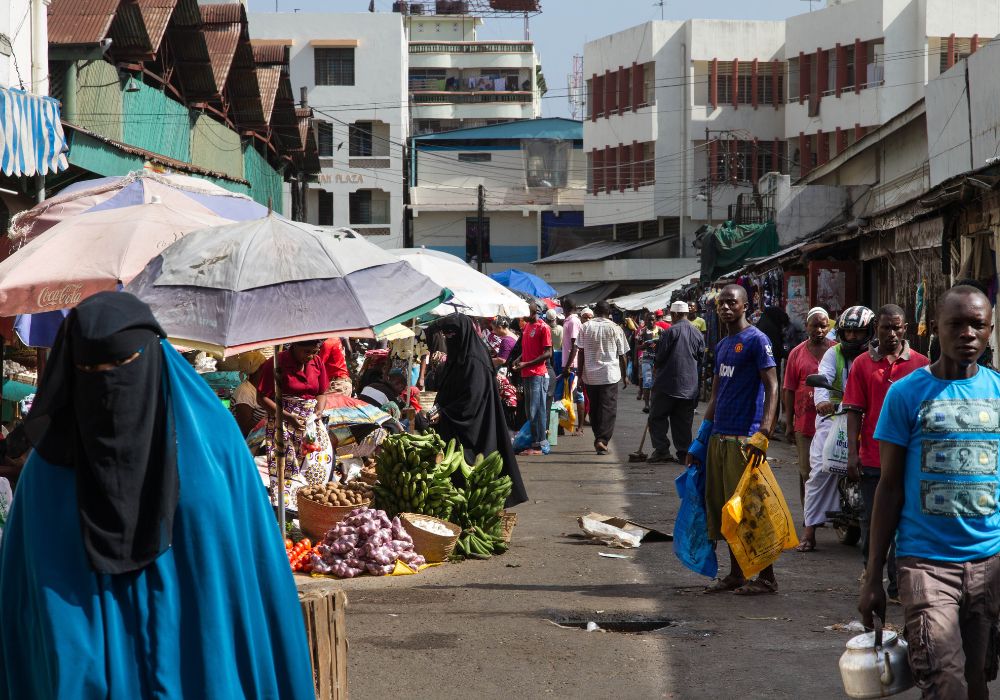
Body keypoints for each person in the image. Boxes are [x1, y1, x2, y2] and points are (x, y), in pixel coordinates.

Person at [0, 292, 313, 698]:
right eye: (91, 369)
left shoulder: (212, 444)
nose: (109, 383)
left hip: (201, 664)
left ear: (154, 356)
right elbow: (28, 614)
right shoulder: (47, 474)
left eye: (123, 364)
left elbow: (253, 579)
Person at [859, 285, 1000, 699]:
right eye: (956, 324)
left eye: (978, 325)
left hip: (988, 565)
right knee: (946, 680)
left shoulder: (997, 392)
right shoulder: (906, 394)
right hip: (925, 565)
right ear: (934, 328)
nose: (968, 334)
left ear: (990, 330)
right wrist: (872, 576)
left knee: (976, 682)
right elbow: (888, 489)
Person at [690, 284, 779, 595]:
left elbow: (772, 386)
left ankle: (766, 576)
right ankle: (737, 573)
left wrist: (764, 431)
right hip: (719, 438)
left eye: (732, 302)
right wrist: (700, 440)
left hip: (745, 439)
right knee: (725, 510)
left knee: (750, 510)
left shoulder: (757, 340)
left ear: (745, 305)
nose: (726, 307)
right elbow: (716, 394)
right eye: (722, 303)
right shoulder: (723, 344)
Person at [842, 304, 929, 598]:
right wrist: (852, 454)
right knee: (873, 523)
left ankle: (897, 585)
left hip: (910, 461)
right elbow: (854, 410)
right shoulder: (863, 365)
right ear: (876, 328)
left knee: (906, 525)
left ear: (905, 329)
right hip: (873, 458)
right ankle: (872, 579)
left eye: (896, 328)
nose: (891, 334)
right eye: (885, 327)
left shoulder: (921, 364)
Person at [427, 313, 528, 507]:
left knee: (474, 468)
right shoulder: (459, 355)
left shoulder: (474, 360)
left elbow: (472, 399)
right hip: (457, 423)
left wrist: (445, 412)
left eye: (452, 335)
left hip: (477, 424)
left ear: (463, 333)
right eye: (446, 335)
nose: (449, 339)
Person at [800, 306, 875, 552]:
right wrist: (822, 401)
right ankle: (809, 531)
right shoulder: (834, 354)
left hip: (869, 418)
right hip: (835, 416)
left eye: (859, 333)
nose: (853, 338)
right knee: (820, 471)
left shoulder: (876, 357)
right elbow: (823, 377)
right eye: (849, 333)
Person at [257, 339, 333, 508]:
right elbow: (261, 398)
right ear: (294, 347)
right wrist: (288, 417)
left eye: (315, 351)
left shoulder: (317, 361)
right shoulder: (276, 363)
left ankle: (309, 507)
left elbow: (322, 392)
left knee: (316, 465)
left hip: (311, 423)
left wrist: (318, 411)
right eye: (307, 352)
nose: (312, 356)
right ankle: (288, 511)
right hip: (283, 423)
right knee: (286, 469)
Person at [781, 307, 833, 517]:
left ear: (828, 327)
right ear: (807, 327)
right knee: (807, 471)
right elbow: (789, 388)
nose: (819, 330)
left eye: (823, 325)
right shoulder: (797, 353)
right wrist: (788, 422)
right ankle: (809, 515)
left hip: (832, 419)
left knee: (830, 467)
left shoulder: (836, 350)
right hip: (805, 421)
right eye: (815, 325)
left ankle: (831, 512)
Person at [567, 301, 629, 455]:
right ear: (609, 313)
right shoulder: (615, 328)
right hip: (609, 375)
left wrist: (580, 375)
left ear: (595, 312)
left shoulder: (586, 327)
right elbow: (622, 355)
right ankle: (602, 439)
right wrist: (626, 375)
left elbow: (580, 352)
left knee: (594, 408)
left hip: (591, 376)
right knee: (608, 409)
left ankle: (598, 438)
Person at [648, 300, 705, 464]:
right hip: (689, 385)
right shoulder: (697, 333)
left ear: (673, 315)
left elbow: (660, 358)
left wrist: (656, 364)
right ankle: (684, 454)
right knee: (683, 422)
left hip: (667, 384)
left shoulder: (669, 332)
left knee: (657, 417)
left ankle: (661, 450)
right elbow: (701, 359)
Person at [512, 303, 552, 455]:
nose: (523, 315)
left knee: (537, 410)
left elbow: (547, 353)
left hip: (537, 374)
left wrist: (527, 363)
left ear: (535, 311)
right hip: (526, 373)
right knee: (530, 411)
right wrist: (519, 359)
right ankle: (535, 442)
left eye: (526, 312)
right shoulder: (527, 327)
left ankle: (539, 444)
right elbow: (529, 350)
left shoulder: (543, 327)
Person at [558, 297, 586, 435]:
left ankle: (580, 427)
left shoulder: (573, 321)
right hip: (568, 363)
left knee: (578, 395)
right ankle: (562, 425)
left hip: (573, 365)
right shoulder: (568, 321)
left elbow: (576, 345)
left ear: (564, 307)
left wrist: (568, 366)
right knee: (565, 395)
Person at [231, 350, 269, 437]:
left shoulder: (262, 387)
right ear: (259, 369)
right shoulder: (244, 392)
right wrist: (271, 425)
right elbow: (244, 426)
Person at [637, 312, 660, 413]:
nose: (651, 322)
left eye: (653, 319)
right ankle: (647, 405)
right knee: (647, 382)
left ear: (656, 320)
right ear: (645, 320)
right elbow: (637, 347)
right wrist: (645, 345)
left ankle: (655, 404)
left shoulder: (661, 331)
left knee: (657, 383)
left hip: (659, 360)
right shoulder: (642, 331)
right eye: (649, 320)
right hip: (646, 359)